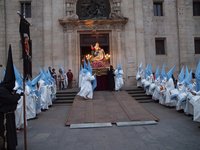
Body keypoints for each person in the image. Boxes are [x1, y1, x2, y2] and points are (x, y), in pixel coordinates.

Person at [0, 45, 21, 150]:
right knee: (5, 137)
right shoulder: (2, 90)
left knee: (11, 136)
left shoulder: (6, 89)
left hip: (10, 117)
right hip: (4, 118)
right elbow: (11, 99)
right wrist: (17, 95)